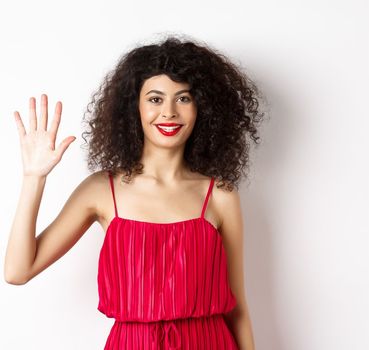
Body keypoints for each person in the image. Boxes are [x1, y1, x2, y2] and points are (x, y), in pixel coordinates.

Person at [3, 34, 264, 350]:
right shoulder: (101, 190)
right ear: (134, 107)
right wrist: (33, 178)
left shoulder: (220, 195)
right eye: (155, 99)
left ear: (202, 109)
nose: (169, 112)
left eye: (183, 98)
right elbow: (18, 271)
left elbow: (238, 308)